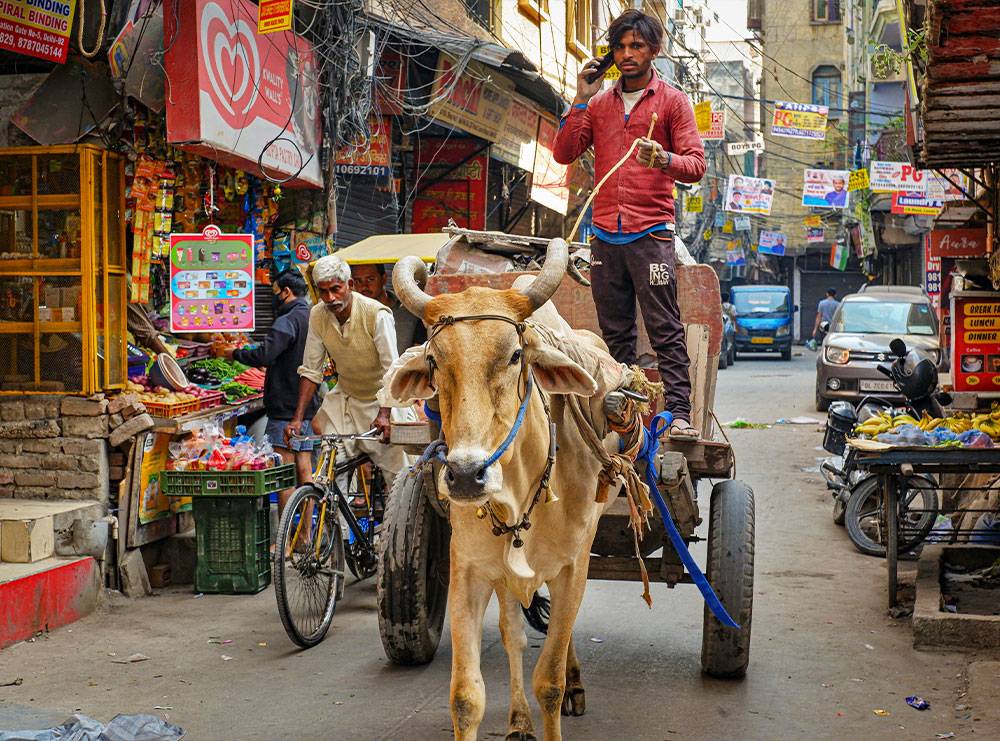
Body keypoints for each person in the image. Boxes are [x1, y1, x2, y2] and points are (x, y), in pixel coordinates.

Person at [553, 8, 707, 439]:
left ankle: (679, 411)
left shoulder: (673, 101)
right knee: (615, 335)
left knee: (664, 328)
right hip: (604, 234)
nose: (627, 54)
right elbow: (564, 152)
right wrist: (581, 96)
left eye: (636, 46)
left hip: (651, 233)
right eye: (620, 47)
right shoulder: (599, 104)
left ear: (654, 49)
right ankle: (627, 415)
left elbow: (696, 165)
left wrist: (664, 159)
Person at [286, 255, 410, 487]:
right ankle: (333, 522)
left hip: (382, 402)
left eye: (336, 289)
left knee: (398, 480)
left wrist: (385, 414)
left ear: (350, 285)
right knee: (331, 475)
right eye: (323, 292)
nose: (330, 298)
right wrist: (297, 418)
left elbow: (391, 369)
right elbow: (311, 370)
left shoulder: (377, 314)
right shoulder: (317, 315)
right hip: (345, 402)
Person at [214, 270, 319, 513]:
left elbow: (266, 354)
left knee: (283, 470)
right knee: (305, 468)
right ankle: (305, 536)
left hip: (285, 408)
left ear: (286, 292)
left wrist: (234, 354)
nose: (273, 298)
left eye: (274, 292)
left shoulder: (287, 320)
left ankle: (284, 538)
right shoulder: (313, 317)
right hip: (306, 406)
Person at [350, 262, 427, 354]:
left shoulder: (409, 310)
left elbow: (420, 350)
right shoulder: (350, 314)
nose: (364, 286)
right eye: (358, 281)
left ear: (384, 278)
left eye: (370, 279)